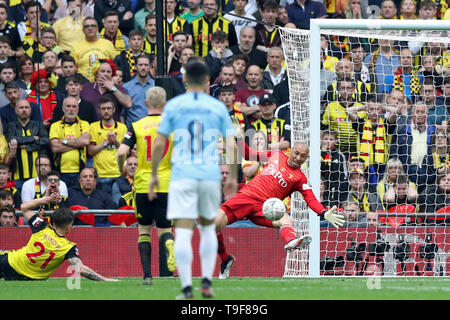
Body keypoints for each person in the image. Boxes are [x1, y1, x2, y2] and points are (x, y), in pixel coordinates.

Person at [148, 60, 239, 299]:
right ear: (208, 80)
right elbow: (231, 143)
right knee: (208, 229)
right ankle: (207, 282)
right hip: (209, 174)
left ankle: (187, 287)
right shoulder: (217, 107)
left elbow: (159, 143)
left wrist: (155, 174)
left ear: (185, 79)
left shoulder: (174, 105)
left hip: (182, 175)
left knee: (184, 231)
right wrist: (232, 176)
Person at [214, 139, 345, 279]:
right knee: (212, 226)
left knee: (286, 218)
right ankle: (226, 259)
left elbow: (310, 198)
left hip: (265, 208)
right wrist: (240, 138)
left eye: (303, 156)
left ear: (306, 159)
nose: (298, 158)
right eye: (297, 153)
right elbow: (249, 153)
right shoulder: (275, 154)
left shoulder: (300, 179)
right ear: (291, 150)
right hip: (247, 197)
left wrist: (323, 212)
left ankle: (291, 241)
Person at [117, 86, 176, 285]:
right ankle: (169, 242)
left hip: (143, 184)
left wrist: (121, 170)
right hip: (166, 184)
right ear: (165, 104)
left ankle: (147, 276)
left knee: (144, 230)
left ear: (145, 103)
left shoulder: (136, 125)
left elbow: (120, 153)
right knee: (165, 228)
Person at [0, 194, 119, 281]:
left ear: (53, 222)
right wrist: (105, 279)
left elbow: (24, 206)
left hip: (9, 262)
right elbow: (81, 269)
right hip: (28, 278)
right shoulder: (69, 248)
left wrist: (47, 199)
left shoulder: (41, 226)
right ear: (69, 226)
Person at [5, 99, 49, 190]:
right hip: (17, 174)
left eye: (26, 107)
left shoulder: (38, 125)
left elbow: (45, 141)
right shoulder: (11, 125)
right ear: (16, 110)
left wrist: (28, 147)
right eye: (21, 107)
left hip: (37, 174)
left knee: (37, 201)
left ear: (30, 110)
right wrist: (33, 138)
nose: (24, 110)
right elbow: (12, 139)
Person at [49, 96, 91, 187]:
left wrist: (64, 141)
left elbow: (85, 142)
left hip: (80, 171)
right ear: (63, 108)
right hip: (60, 171)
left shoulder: (85, 124)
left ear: (78, 109)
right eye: (68, 106)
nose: (71, 109)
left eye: (74, 106)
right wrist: (78, 142)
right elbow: (55, 148)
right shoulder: (55, 126)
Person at [88, 96, 127, 194]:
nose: (106, 111)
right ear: (99, 110)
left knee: (117, 205)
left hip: (118, 174)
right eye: (103, 108)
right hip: (100, 174)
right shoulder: (93, 127)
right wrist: (106, 143)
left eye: (109, 108)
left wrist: (116, 142)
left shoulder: (122, 128)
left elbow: (127, 152)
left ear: (114, 110)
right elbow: (91, 151)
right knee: (101, 206)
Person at [70, 17, 117, 82]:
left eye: (93, 26)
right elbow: (72, 68)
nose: (90, 28)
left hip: (106, 83)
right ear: (83, 30)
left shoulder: (108, 44)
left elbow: (115, 64)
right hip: (83, 85)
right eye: (87, 26)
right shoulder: (76, 47)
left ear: (97, 29)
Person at [122, 54, 155, 126]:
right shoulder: (126, 87)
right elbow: (122, 114)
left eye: (146, 65)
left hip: (152, 128)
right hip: (133, 129)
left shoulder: (156, 86)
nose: (143, 68)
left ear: (150, 66)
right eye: (140, 65)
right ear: (135, 67)